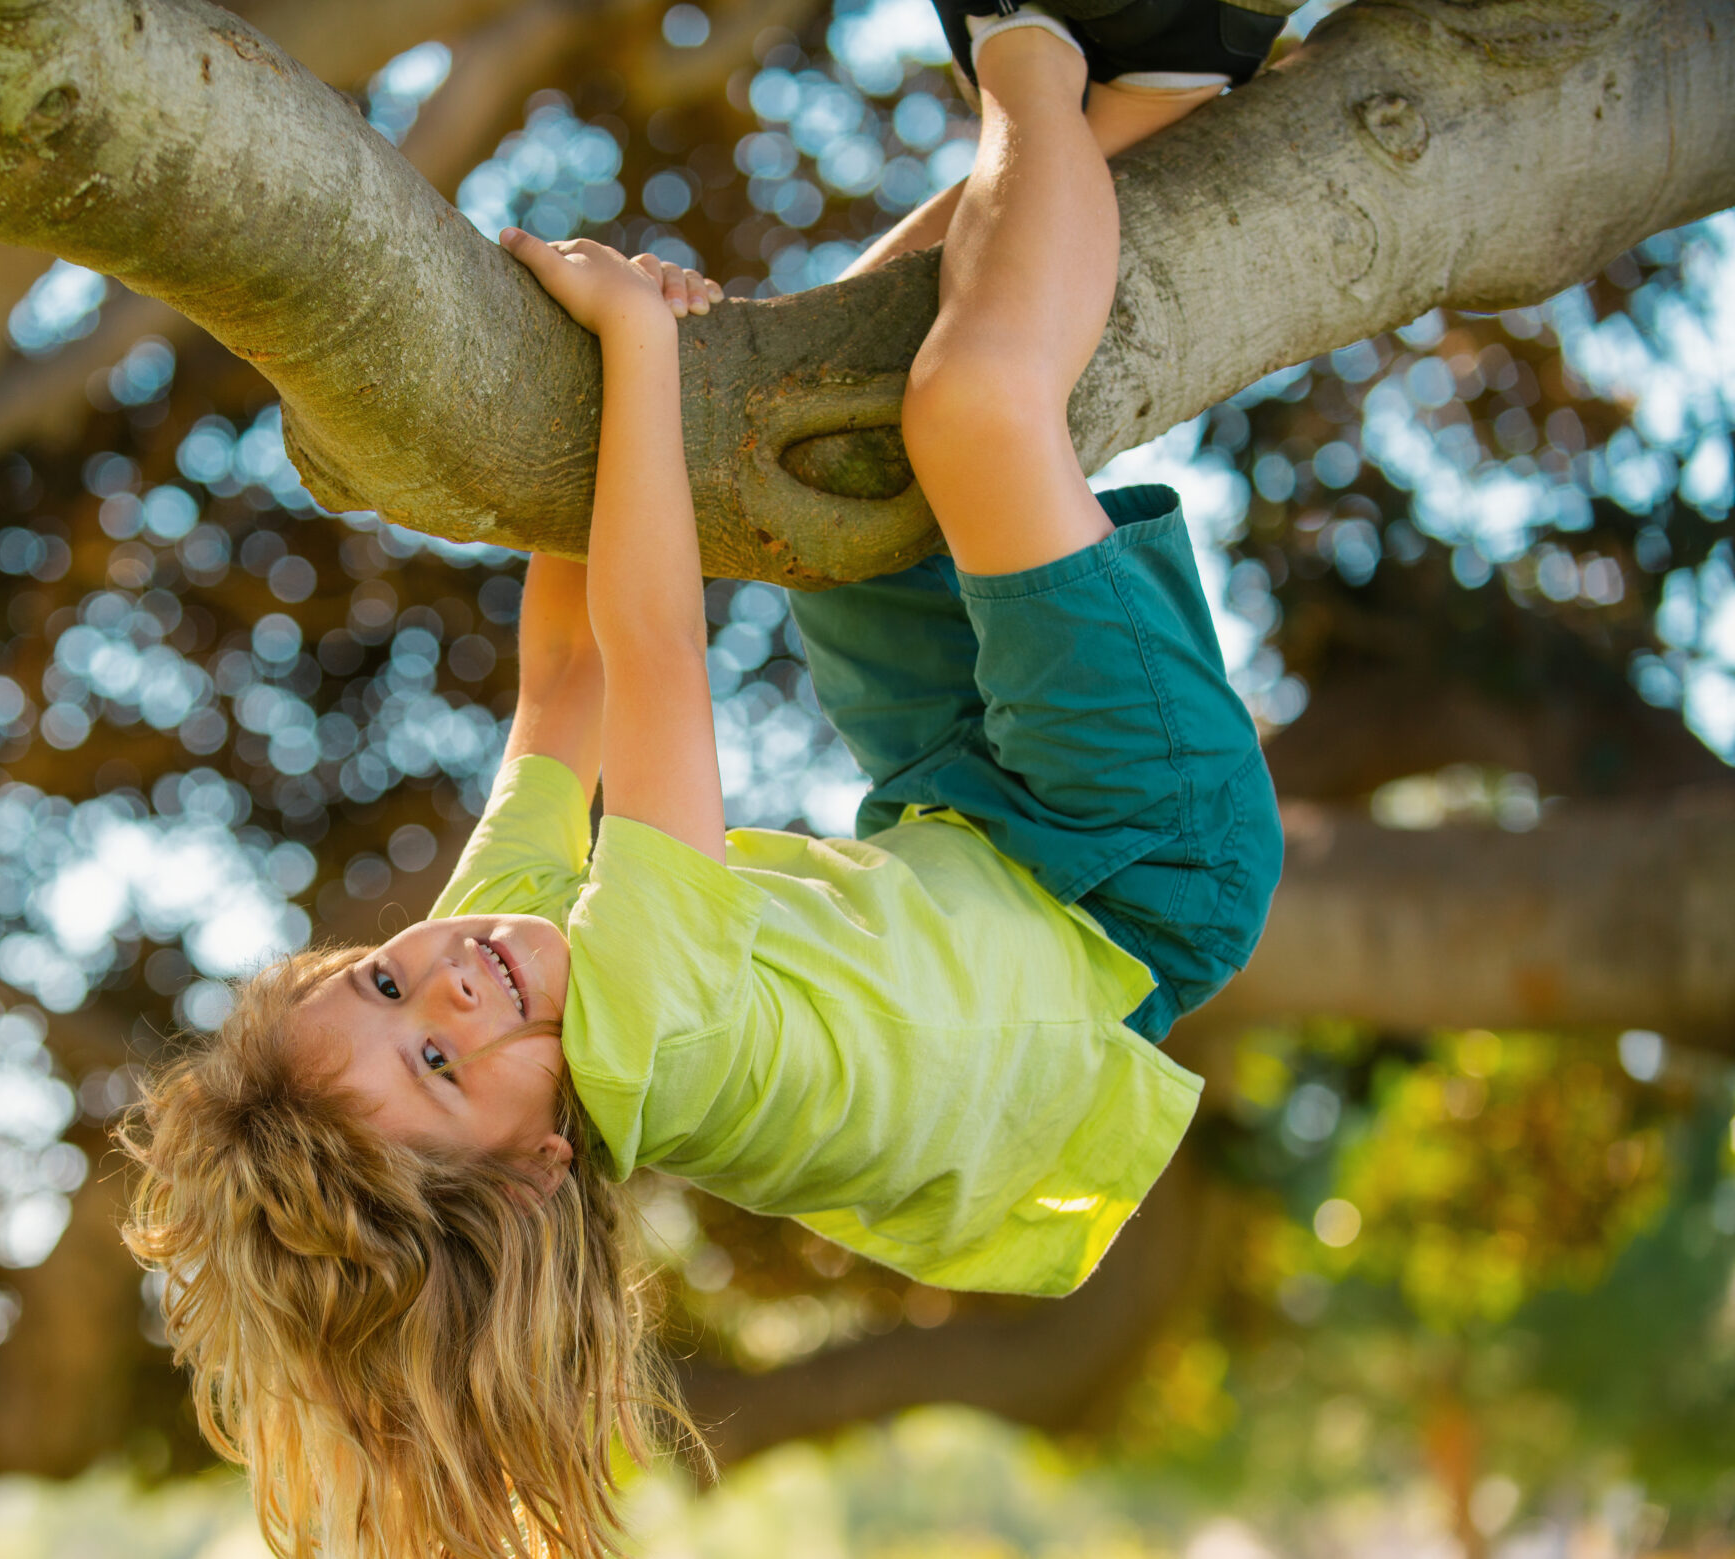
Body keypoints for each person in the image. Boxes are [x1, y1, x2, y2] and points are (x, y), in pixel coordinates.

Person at [119, 15, 1283, 1559]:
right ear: (538, 1175)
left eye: (387, 986)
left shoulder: (505, 958)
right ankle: (1034, 54)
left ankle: (1149, 102)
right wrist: (638, 346)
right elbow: (655, 647)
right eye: (447, 1067)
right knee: (970, 411)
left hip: (970, 824)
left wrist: (593, 414)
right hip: (1140, 876)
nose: (448, 989)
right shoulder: (648, 1030)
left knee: (812, 422)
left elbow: (567, 687)